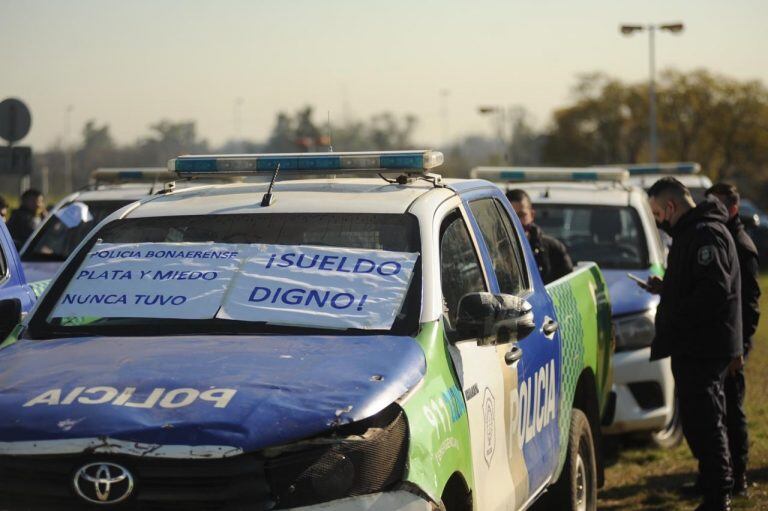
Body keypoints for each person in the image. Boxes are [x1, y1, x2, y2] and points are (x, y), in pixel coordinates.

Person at [640, 177, 742, 511]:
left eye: (657, 213)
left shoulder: (705, 235)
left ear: (670, 206)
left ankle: (718, 494)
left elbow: (712, 292)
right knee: (698, 420)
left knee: (707, 420)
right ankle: (710, 483)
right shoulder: (691, 234)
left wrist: (677, 312)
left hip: (703, 346)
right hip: (692, 345)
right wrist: (667, 288)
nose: (658, 221)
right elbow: (693, 283)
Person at [705, 182, 760, 497]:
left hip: (733, 345)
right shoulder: (721, 238)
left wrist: (740, 347)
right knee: (717, 411)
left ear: (733, 209)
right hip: (721, 341)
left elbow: (749, 303)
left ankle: (737, 478)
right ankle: (717, 476)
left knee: (732, 410)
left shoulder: (740, 245)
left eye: (718, 205)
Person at [506, 189, 573, 284]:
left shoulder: (554, 249)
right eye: (510, 216)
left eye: (521, 215)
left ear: (532, 215)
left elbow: (567, 286)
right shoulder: (494, 252)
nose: (516, 221)